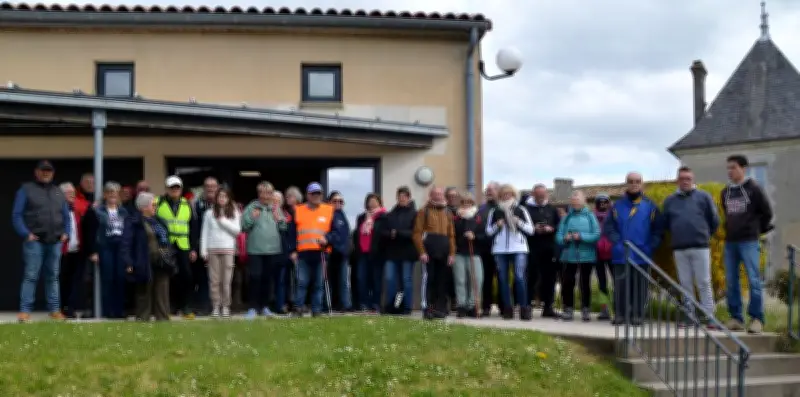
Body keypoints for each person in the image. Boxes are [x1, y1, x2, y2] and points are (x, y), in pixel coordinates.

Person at [12, 160, 71, 322]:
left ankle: (54, 310)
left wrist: (67, 232)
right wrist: (26, 233)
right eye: (43, 170)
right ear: (36, 172)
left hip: (55, 240)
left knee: (53, 276)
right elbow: (16, 215)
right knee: (31, 275)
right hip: (35, 241)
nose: (46, 173)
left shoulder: (58, 192)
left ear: (53, 173)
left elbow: (66, 215)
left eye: (49, 171)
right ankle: (25, 311)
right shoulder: (26, 190)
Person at [721, 155, 773, 334]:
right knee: (731, 281)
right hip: (731, 242)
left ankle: (756, 318)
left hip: (749, 241)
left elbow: (767, 212)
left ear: (743, 168)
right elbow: (727, 213)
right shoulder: (725, 192)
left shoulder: (754, 189)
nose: (730, 171)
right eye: (728, 168)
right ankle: (736, 317)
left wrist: (758, 230)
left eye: (733, 167)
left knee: (754, 280)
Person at [663, 166, 720, 329]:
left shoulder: (704, 197)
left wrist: (703, 235)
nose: (685, 181)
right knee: (685, 283)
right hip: (679, 248)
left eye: (688, 178)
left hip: (700, 247)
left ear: (693, 180)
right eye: (682, 179)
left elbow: (714, 220)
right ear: (677, 180)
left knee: (703, 282)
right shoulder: (670, 201)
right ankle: (689, 316)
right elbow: (666, 223)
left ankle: (710, 317)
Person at [605, 172, 664, 326]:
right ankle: (620, 314)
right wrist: (617, 242)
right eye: (631, 181)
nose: (634, 184)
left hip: (642, 253)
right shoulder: (617, 206)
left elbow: (658, 230)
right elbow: (609, 227)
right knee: (621, 286)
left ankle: (638, 315)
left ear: (642, 184)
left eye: (637, 181)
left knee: (640, 287)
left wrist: (651, 246)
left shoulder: (650, 206)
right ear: (626, 184)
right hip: (621, 253)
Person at [121, 192, 176, 321]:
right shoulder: (133, 222)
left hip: (162, 262)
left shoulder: (159, 222)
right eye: (153, 205)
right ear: (144, 207)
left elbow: (166, 239)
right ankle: (143, 318)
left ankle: (162, 318)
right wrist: (128, 262)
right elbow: (126, 243)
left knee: (162, 292)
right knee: (144, 292)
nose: (155, 207)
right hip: (143, 261)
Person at [292, 182, 342, 317]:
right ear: (307, 195)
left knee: (319, 284)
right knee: (301, 283)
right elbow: (292, 233)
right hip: (303, 253)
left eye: (318, 193)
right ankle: (298, 309)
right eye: (313, 193)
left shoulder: (329, 210)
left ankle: (317, 310)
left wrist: (327, 238)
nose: (316, 196)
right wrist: (292, 250)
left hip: (322, 253)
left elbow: (337, 232)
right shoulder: (298, 210)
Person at [486, 184, 535, 320]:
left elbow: (531, 230)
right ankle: (507, 308)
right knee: (503, 279)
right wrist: (497, 225)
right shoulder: (495, 211)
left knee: (519, 277)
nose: (506, 196)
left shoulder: (521, 210)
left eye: (509, 194)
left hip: (519, 247)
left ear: (514, 195)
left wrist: (518, 222)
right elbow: (488, 231)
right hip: (500, 249)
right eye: (503, 194)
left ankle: (524, 308)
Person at [155, 175, 199, 319]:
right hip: (165, 244)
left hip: (183, 244)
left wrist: (193, 248)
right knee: (168, 276)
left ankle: (186, 307)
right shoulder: (158, 202)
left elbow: (193, 227)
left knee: (186, 276)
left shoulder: (187, 204)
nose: (175, 190)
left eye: (177, 187)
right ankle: (170, 307)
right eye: (172, 187)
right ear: (167, 189)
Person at [241, 182, 288, 319]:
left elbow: (284, 227)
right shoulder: (251, 207)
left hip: (273, 249)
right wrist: (252, 217)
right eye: (263, 192)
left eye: (269, 193)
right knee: (255, 278)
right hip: (255, 250)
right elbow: (244, 226)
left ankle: (265, 307)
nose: (266, 196)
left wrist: (280, 220)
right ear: (259, 193)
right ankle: (252, 308)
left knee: (268, 279)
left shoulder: (275, 208)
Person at [83, 182, 129, 319]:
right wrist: (93, 251)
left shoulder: (124, 211)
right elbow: (90, 231)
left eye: (115, 193)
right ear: (105, 195)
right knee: (107, 279)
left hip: (120, 247)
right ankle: (107, 310)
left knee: (120, 278)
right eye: (109, 192)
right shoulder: (97, 211)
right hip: (105, 246)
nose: (112, 195)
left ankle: (119, 311)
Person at [556, 190, 601, 322]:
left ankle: (585, 309)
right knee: (567, 282)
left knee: (584, 283)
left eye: (578, 199)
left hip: (586, 256)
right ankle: (568, 308)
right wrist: (565, 238)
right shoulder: (566, 218)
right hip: (569, 255)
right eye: (573, 199)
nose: (575, 201)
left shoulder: (590, 216)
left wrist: (581, 236)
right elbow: (559, 236)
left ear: (584, 201)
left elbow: (596, 234)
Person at [413, 186, 456, 320]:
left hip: (444, 249)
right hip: (429, 249)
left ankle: (440, 308)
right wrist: (422, 251)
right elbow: (417, 233)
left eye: (440, 194)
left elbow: (451, 235)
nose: (438, 196)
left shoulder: (448, 212)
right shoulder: (423, 211)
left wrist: (452, 253)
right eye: (435, 194)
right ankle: (427, 308)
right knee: (428, 278)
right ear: (431, 195)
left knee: (442, 280)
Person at [200, 188, 241, 319]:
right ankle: (216, 307)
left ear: (229, 198)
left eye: (225, 196)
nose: (222, 199)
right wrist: (203, 250)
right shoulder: (209, 213)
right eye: (220, 196)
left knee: (226, 280)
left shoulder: (234, 212)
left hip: (228, 250)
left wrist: (223, 221)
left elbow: (237, 231)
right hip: (213, 249)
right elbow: (205, 232)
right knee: (214, 280)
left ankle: (225, 306)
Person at [522, 183, 560, 318]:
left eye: (543, 195)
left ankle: (548, 306)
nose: (541, 197)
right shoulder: (526, 209)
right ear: (533, 195)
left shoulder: (552, 209)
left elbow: (558, 225)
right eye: (538, 195)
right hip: (531, 247)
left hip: (549, 248)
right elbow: (522, 227)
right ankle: (527, 305)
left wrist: (551, 228)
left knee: (549, 278)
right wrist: (534, 229)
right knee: (531, 277)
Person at [382, 186, 418, 315]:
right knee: (390, 279)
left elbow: (414, 233)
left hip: (408, 253)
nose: (402, 198)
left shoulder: (415, 214)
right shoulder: (391, 214)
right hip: (392, 253)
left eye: (405, 196)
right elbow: (383, 232)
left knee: (406, 279)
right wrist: (390, 234)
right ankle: (391, 306)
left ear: (409, 197)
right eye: (400, 196)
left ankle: (407, 306)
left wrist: (397, 233)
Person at [58, 182, 90, 318]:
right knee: (62, 280)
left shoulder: (76, 209)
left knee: (74, 281)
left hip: (76, 250)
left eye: (73, 193)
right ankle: (60, 307)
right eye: (69, 193)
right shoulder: (57, 210)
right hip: (62, 251)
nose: (72, 195)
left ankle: (70, 308)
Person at [453, 192, 485, 318]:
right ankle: (462, 306)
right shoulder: (455, 218)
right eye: (463, 202)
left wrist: (475, 237)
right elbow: (452, 234)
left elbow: (484, 235)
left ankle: (473, 306)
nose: (466, 204)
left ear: (472, 203)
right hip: (459, 252)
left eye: (469, 202)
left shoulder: (478, 218)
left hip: (474, 253)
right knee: (460, 280)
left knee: (476, 280)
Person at [354, 193, 387, 313]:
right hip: (362, 252)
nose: (372, 203)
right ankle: (364, 303)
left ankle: (375, 304)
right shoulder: (361, 217)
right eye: (370, 201)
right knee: (361, 278)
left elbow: (384, 235)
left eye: (374, 200)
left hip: (376, 253)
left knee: (376, 279)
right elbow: (356, 234)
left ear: (379, 202)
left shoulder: (383, 216)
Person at [477, 182, 500, 316]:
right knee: (486, 278)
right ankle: (486, 306)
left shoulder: (502, 207)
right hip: (485, 248)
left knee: (503, 278)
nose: (489, 192)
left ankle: (504, 306)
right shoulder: (481, 209)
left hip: (501, 249)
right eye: (487, 190)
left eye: (492, 190)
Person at [327, 191, 352, 312]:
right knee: (329, 281)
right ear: (329, 202)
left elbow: (345, 236)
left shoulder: (343, 216)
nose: (338, 203)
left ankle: (345, 305)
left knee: (343, 281)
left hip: (342, 254)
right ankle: (328, 305)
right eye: (335, 201)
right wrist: (332, 239)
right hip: (331, 253)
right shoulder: (327, 215)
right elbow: (327, 234)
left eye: (340, 201)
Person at [592, 192, 613, 320]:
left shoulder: (614, 215)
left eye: (605, 202)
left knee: (617, 281)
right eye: (600, 203)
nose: (603, 205)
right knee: (602, 283)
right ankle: (604, 308)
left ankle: (618, 308)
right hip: (597, 253)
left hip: (612, 252)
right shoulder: (592, 216)